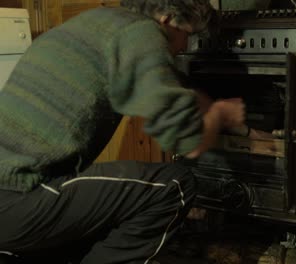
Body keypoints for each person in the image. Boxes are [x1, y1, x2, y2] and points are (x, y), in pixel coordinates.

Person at [0, 0, 245, 263]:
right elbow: (190, 144)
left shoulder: (102, 23)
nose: (185, 46)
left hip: (11, 197)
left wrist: (231, 121)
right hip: (18, 201)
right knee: (174, 185)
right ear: (167, 18)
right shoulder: (141, 34)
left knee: (99, 225)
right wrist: (220, 115)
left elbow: (176, 88)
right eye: (187, 34)